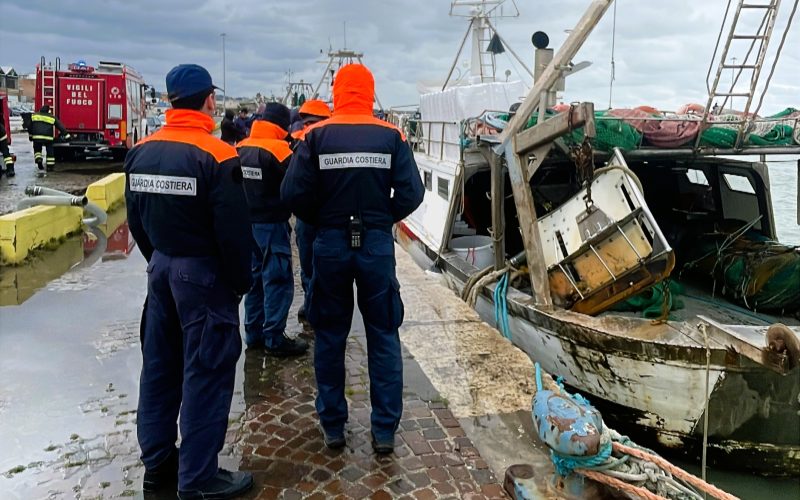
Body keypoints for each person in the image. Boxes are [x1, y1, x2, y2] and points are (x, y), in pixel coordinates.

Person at [125, 63, 254, 499]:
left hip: (160, 269)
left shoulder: (140, 150)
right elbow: (234, 232)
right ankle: (198, 478)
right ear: (209, 100)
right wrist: (238, 283)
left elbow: (135, 221)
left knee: (159, 369)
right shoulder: (217, 155)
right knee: (206, 371)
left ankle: (158, 464)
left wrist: (160, 259)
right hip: (201, 276)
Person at [281, 64, 424, 453]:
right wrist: (381, 219)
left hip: (330, 245)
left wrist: (324, 220)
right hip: (375, 246)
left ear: (337, 92)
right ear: (370, 91)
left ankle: (333, 426)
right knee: (382, 335)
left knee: (329, 336)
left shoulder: (314, 136)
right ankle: (383, 432)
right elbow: (413, 193)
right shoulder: (391, 136)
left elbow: (292, 193)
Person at [236, 103, 308, 356]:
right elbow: (299, 186)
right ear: (282, 125)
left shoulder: (241, 147)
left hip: (246, 225)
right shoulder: (280, 151)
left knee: (254, 281)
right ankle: (275, 338)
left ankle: (253, 334)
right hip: (272, 225)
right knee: (277, 279)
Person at [287, 99, 331, 322]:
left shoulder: (297, 142)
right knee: (323, 265)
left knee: (308, 264)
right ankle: (319, 305)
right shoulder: (331, 142)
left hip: (307, 217)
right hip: (326, 218)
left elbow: (290, 189)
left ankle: (311, 303)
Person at [28, 105, 69, 174]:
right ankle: (50, 167)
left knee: (37, 150)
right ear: (48, 111)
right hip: (48, 138)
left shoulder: (34, 116)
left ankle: (38, 159)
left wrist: (31, 135)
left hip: (37, 137)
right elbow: (60, 126)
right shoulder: (51, 117)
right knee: (50, 152)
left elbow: (29, 126)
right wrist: (67, 136)